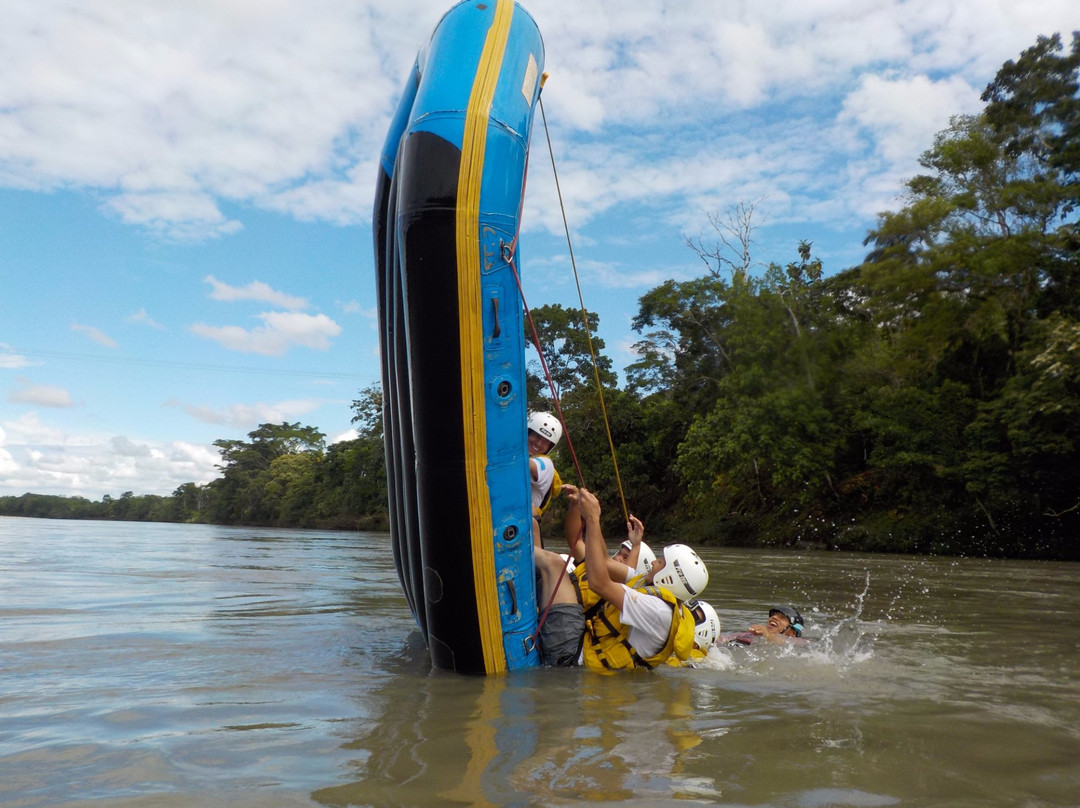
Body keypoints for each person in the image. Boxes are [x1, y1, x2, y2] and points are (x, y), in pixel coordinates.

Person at [539, 485, 709, 671]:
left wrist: (593, 519)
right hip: (581, 638)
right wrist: (587, 514)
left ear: (670, 577)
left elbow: (598, 584)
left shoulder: (659, 611)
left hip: (572, 656)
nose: (653, 563)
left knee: (554, 564)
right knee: (550, 561)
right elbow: (602, 560)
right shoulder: (647, 586)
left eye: (660, 562)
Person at [528, 411, 563, 548]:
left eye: (546, 441)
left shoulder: (546, 463)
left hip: (529, 527)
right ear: (529, 432)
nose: (539, 443)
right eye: (537, 435)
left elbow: (528, 465)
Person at [720, 606, 806, 646]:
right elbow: (723, 639)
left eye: (782, 618)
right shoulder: (751, 634)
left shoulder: (796, 642)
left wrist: (767, 635)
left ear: (792, 632)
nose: (774, 617)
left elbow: (784, 642)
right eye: (774, 615)